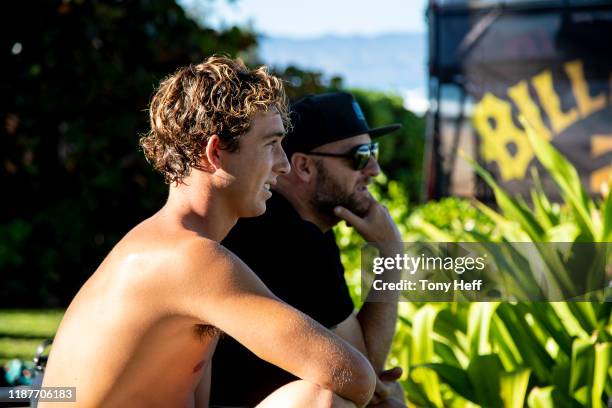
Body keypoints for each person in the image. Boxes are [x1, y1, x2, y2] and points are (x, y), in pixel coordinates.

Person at [40, 58, 377, 408]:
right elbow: (362, 376)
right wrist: (393, 257)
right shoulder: (193, 257)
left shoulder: (169, 243)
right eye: (270, 144)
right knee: (316, 400)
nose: (283, 163)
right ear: (215, 152)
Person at [211, 92, 405, 407]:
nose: (374, 169)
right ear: (303, 167)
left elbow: (362, 369)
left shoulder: (300, 226)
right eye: (360, 155)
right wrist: (390, 255)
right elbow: (367, 369)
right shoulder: (291, 238)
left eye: (375, 151)